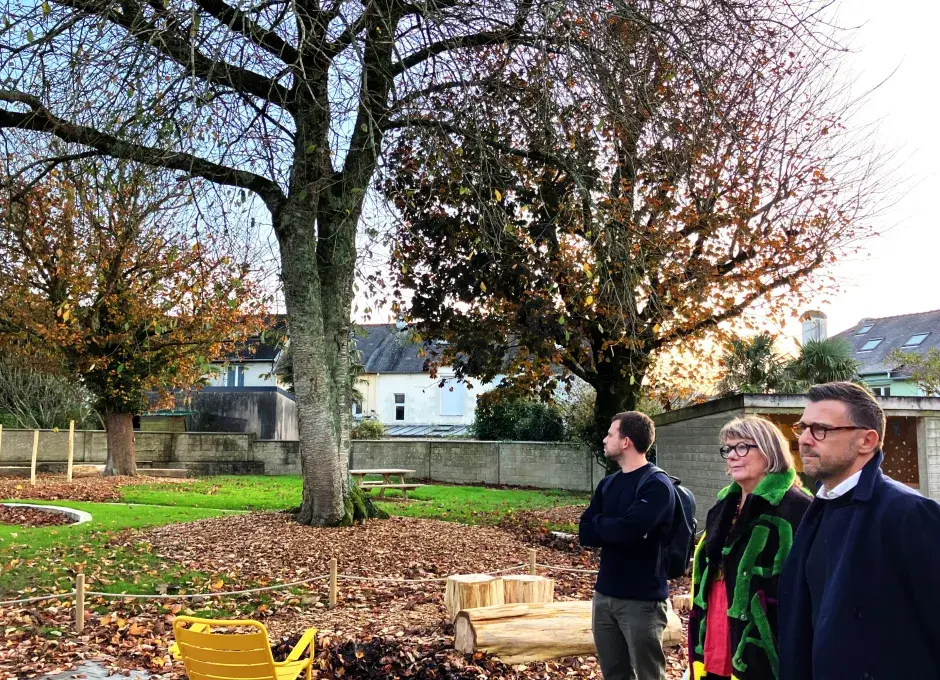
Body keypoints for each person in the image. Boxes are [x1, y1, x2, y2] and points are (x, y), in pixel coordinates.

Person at [778, 381, 940, 680]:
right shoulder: (820, 509)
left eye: (821, 429)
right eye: (803, 427)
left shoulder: (909, 513)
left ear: (867, 440)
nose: (805, 440)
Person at [686, 417, 810, 680]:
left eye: (742, 447)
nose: (732, 456)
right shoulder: (722, 506)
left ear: (770, 451)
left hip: (761, 640)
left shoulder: (798, 508)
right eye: (728, 449)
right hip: (716, 622)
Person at [579, 411, 675, 680]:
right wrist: (615, 526)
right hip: (604, 595)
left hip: (642, 601)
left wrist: (603, 523)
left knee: (649, 675)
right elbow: (585, 533)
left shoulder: (657, 485)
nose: (604, 439)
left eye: (610, 434)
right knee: (614, 674)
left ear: (625, 442)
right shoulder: (608, 484)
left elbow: (628, 532)